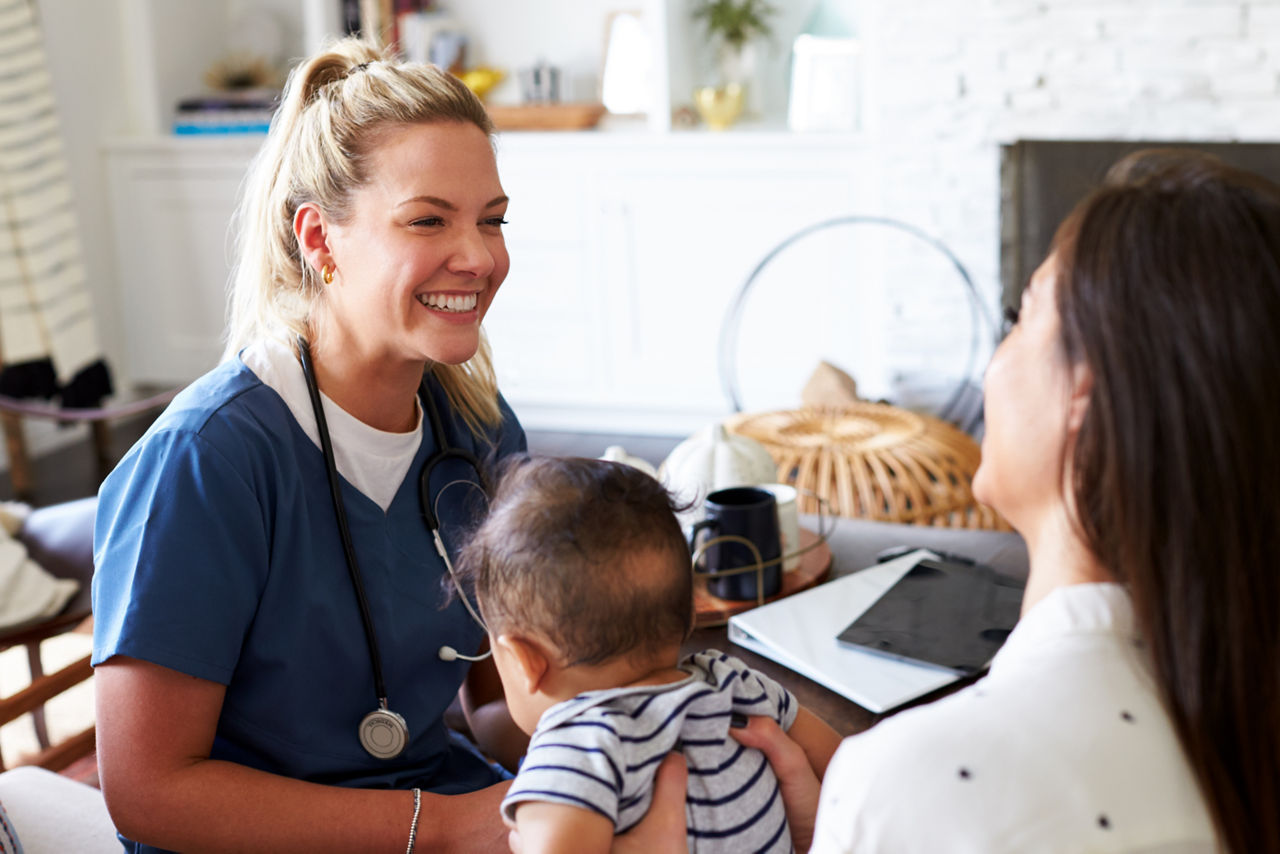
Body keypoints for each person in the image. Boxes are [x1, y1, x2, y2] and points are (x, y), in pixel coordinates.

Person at [727, 149, 1280, 854]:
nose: (998, 356)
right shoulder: (1241, 731)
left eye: (1023, 315)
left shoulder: (914, 780)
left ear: (1085, 390)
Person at [90, 37, 532, 853]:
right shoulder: (207, 460)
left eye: (492, 220)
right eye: (427, 220)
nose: (479, 257)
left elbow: (496, 702)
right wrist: (441, 828)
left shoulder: (479, 432)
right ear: (319, 240)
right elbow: (149, 792)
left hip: (436, 803)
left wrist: (600, 754)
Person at [454, 455, 842, 853]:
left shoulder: (573, 751)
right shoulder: (738, 684)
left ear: (524, 660)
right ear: (689, 614)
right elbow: (848, 773)